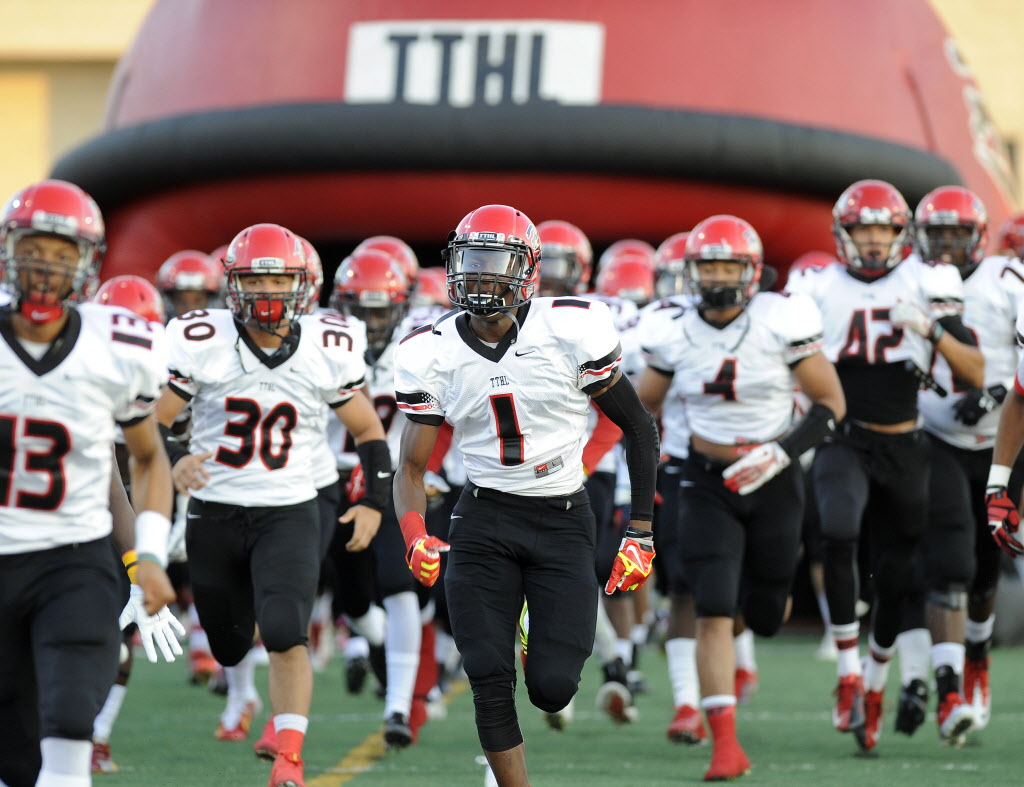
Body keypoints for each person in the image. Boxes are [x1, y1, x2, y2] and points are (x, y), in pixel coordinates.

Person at [393, 204, 660, 787]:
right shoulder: (429, 351)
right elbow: (411, 465)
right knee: (488, 675)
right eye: (470, 261)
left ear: (528, 271)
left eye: (495, 262)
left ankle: (528, 628)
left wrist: (640, 531)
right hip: (483, 517)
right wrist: (414, 531)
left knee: (553, 687)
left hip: (563, 517)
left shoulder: (571, 328)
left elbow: (639, 426)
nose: (480, 276)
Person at [154, 222, 391, 787]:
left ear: (303, 286)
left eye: (280, 280)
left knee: (286, 629)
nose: (268, 294)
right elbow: (152, 424)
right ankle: (245, 690)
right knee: (230, 645)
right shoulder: (203, 340)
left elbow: (367, 428)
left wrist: (376, 500)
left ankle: (289, 758)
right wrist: (174, 456)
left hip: (288, 508)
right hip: (214, 508)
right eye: (255, 281)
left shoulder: (326, 346)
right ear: (231, 287)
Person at [638, 215, 845, 780]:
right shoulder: (673, 329)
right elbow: (636, 412)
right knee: (711, 605)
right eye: (708, 266)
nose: (718, 277)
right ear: (691, 272)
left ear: (752, 272)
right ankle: (724, 745)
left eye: (729, 265)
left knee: (765, 612)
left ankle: (742, 644)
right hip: (707, 481)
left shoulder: (781, 318)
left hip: (774, 476)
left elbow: (830, 402)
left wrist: (781, 452)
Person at [786, 179, 984, 752]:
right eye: (861, 230)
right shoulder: (816, 284)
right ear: (842, 235)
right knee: (839, 530)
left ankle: (875, 683)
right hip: (844, 436)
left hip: (906, 442)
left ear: (901, 234)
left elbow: (973, 369)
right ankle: (848, 671)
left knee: (898, 579)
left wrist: (930, 330)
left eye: (882, 230)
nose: (872, 242)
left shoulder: (928, 280)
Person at [0, 179, 177, 787]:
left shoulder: (120, 345)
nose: (44, 266)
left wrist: (147, 555)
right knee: (14, 751)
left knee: (72, 718)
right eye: (33, 247)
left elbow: (149, 460)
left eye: (61, 252)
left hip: (72, 557)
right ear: (7, 250)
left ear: (86, 262)